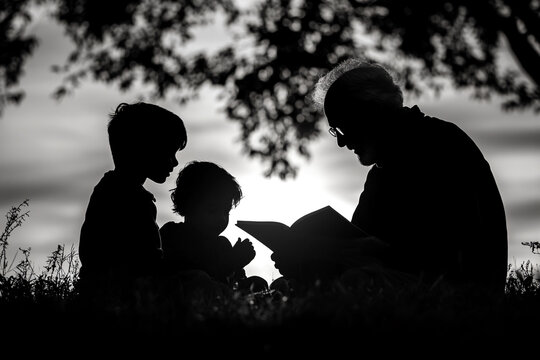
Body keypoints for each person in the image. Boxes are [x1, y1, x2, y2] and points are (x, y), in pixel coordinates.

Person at [272, 59, 508, 294]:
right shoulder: (380, 173)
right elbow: (357, 242)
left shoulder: (442, 145)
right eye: (335, 131)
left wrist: (373, 252)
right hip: (407, 282)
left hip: (458, 290)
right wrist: (306, 261)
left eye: (341, 128)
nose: (341, 142)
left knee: (355, 282)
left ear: (370, 112)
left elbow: (452, 251)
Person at [78, 102, 187, 296]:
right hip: (124, 293)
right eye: (170, 152)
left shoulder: (109, 190)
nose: (175, 162)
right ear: (146, 149)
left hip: (103, 290)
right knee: (198, 281)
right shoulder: (132, 200)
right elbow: (148, 263)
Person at [160, 161, 267, 292]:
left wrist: (239, 265)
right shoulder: (173, 234)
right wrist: (232, 262)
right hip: (190, 297)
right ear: (188, 205)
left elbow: (235, 281)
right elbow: (189, 271)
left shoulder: (223, 245)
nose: (221, 219)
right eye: (212, 210)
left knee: (258, 282)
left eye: (226, 212)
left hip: (224, 296)